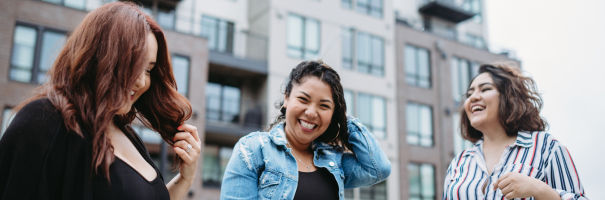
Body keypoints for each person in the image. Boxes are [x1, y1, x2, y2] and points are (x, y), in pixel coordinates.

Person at [0, 2, 201, 200]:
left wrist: (185, 179)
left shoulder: (127, 134)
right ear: (100, 57)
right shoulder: (43, 121)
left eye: (148, 69)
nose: (141, 81)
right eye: (133, 64)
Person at [220, 60, 391, 200]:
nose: (311, 112)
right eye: (303, 99)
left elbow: (378, 169)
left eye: (324, 106)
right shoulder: (253, 150)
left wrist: (344, 120)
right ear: (286, 98)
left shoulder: (334, 160)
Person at [443, 63, 587, 200]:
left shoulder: (546, 147)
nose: (473, 97)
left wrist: (538, 189)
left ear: (508, 96)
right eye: (469, 94)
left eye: (485, 89)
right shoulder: (459, 163)